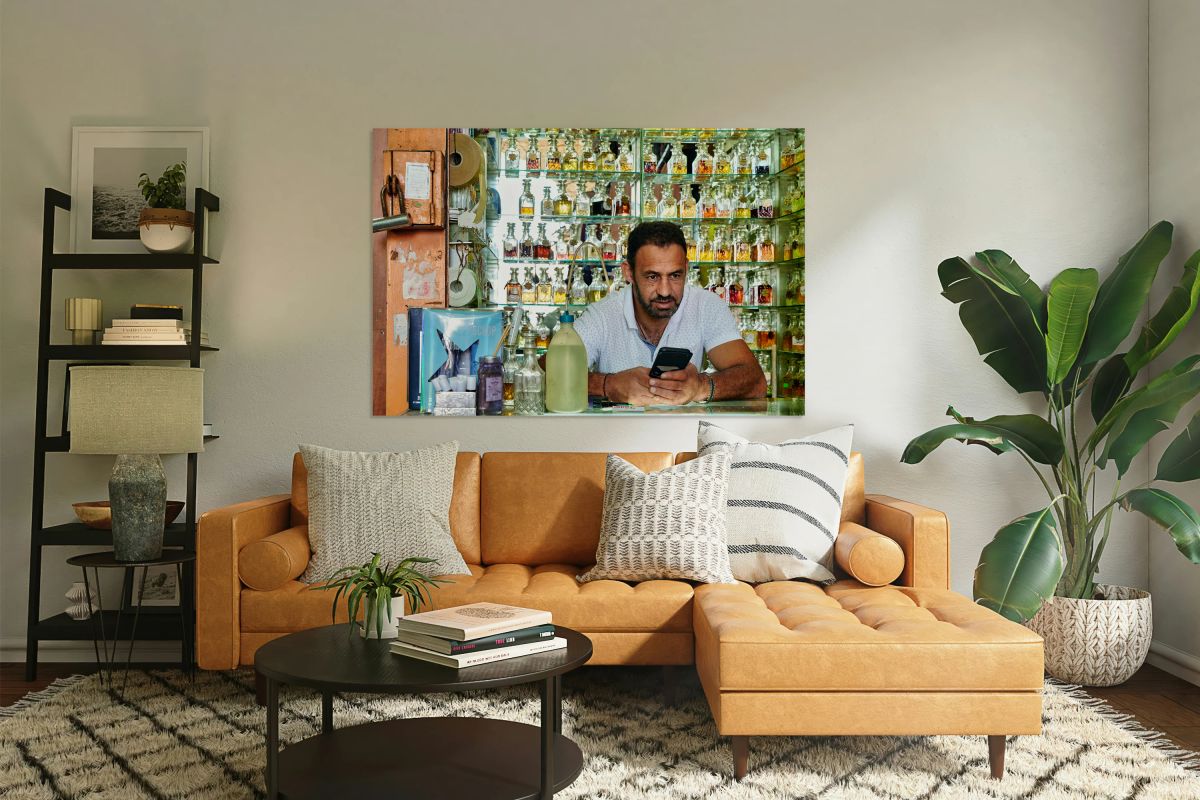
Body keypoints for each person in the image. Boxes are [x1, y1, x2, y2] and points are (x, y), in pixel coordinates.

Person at [574, 221, 766, 406]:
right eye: (652, 276)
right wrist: (608, 384)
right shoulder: (602, 315)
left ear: (686, 269)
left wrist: (700, 386)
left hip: (684, 434)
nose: (665, 291)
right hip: (616, 435)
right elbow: (548, 373)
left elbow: (756, 381)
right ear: (629, 273)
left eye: (675, 275)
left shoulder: (706, 306)